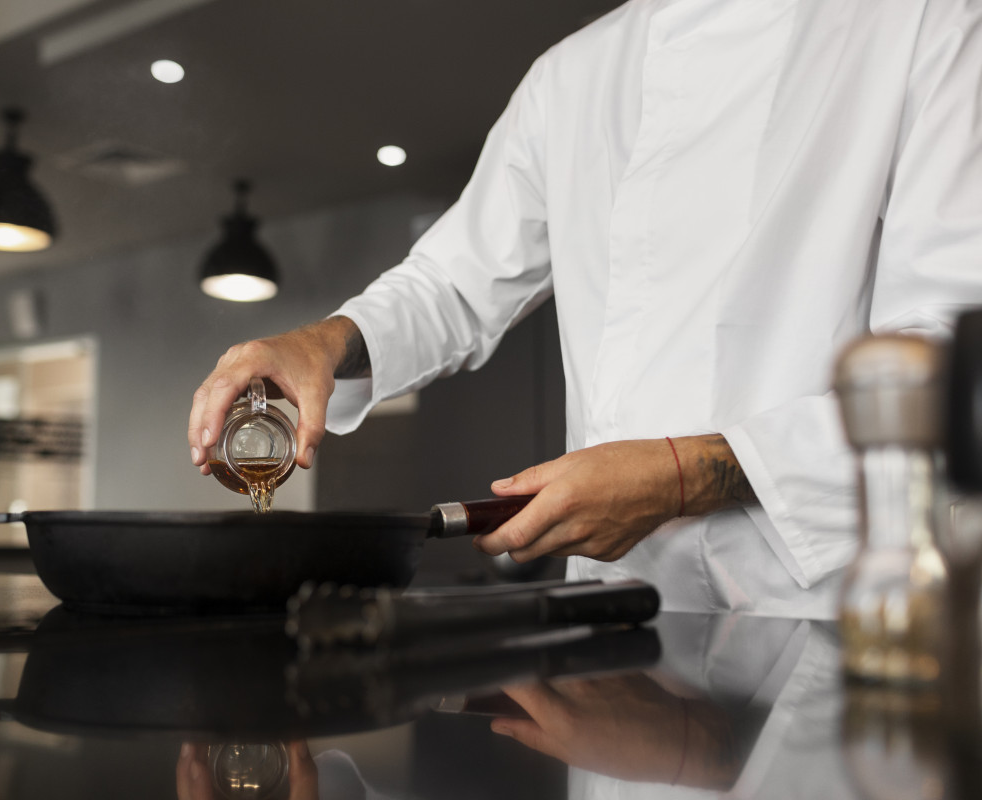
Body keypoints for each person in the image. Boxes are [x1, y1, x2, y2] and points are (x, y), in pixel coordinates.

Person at [189, 0, 982, 619]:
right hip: (614, 614)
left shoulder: (926, 25)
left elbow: (947, 368)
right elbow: (451, 281)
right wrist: (325, 343)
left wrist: (684, 474)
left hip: (837, 610)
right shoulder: (571, 77)